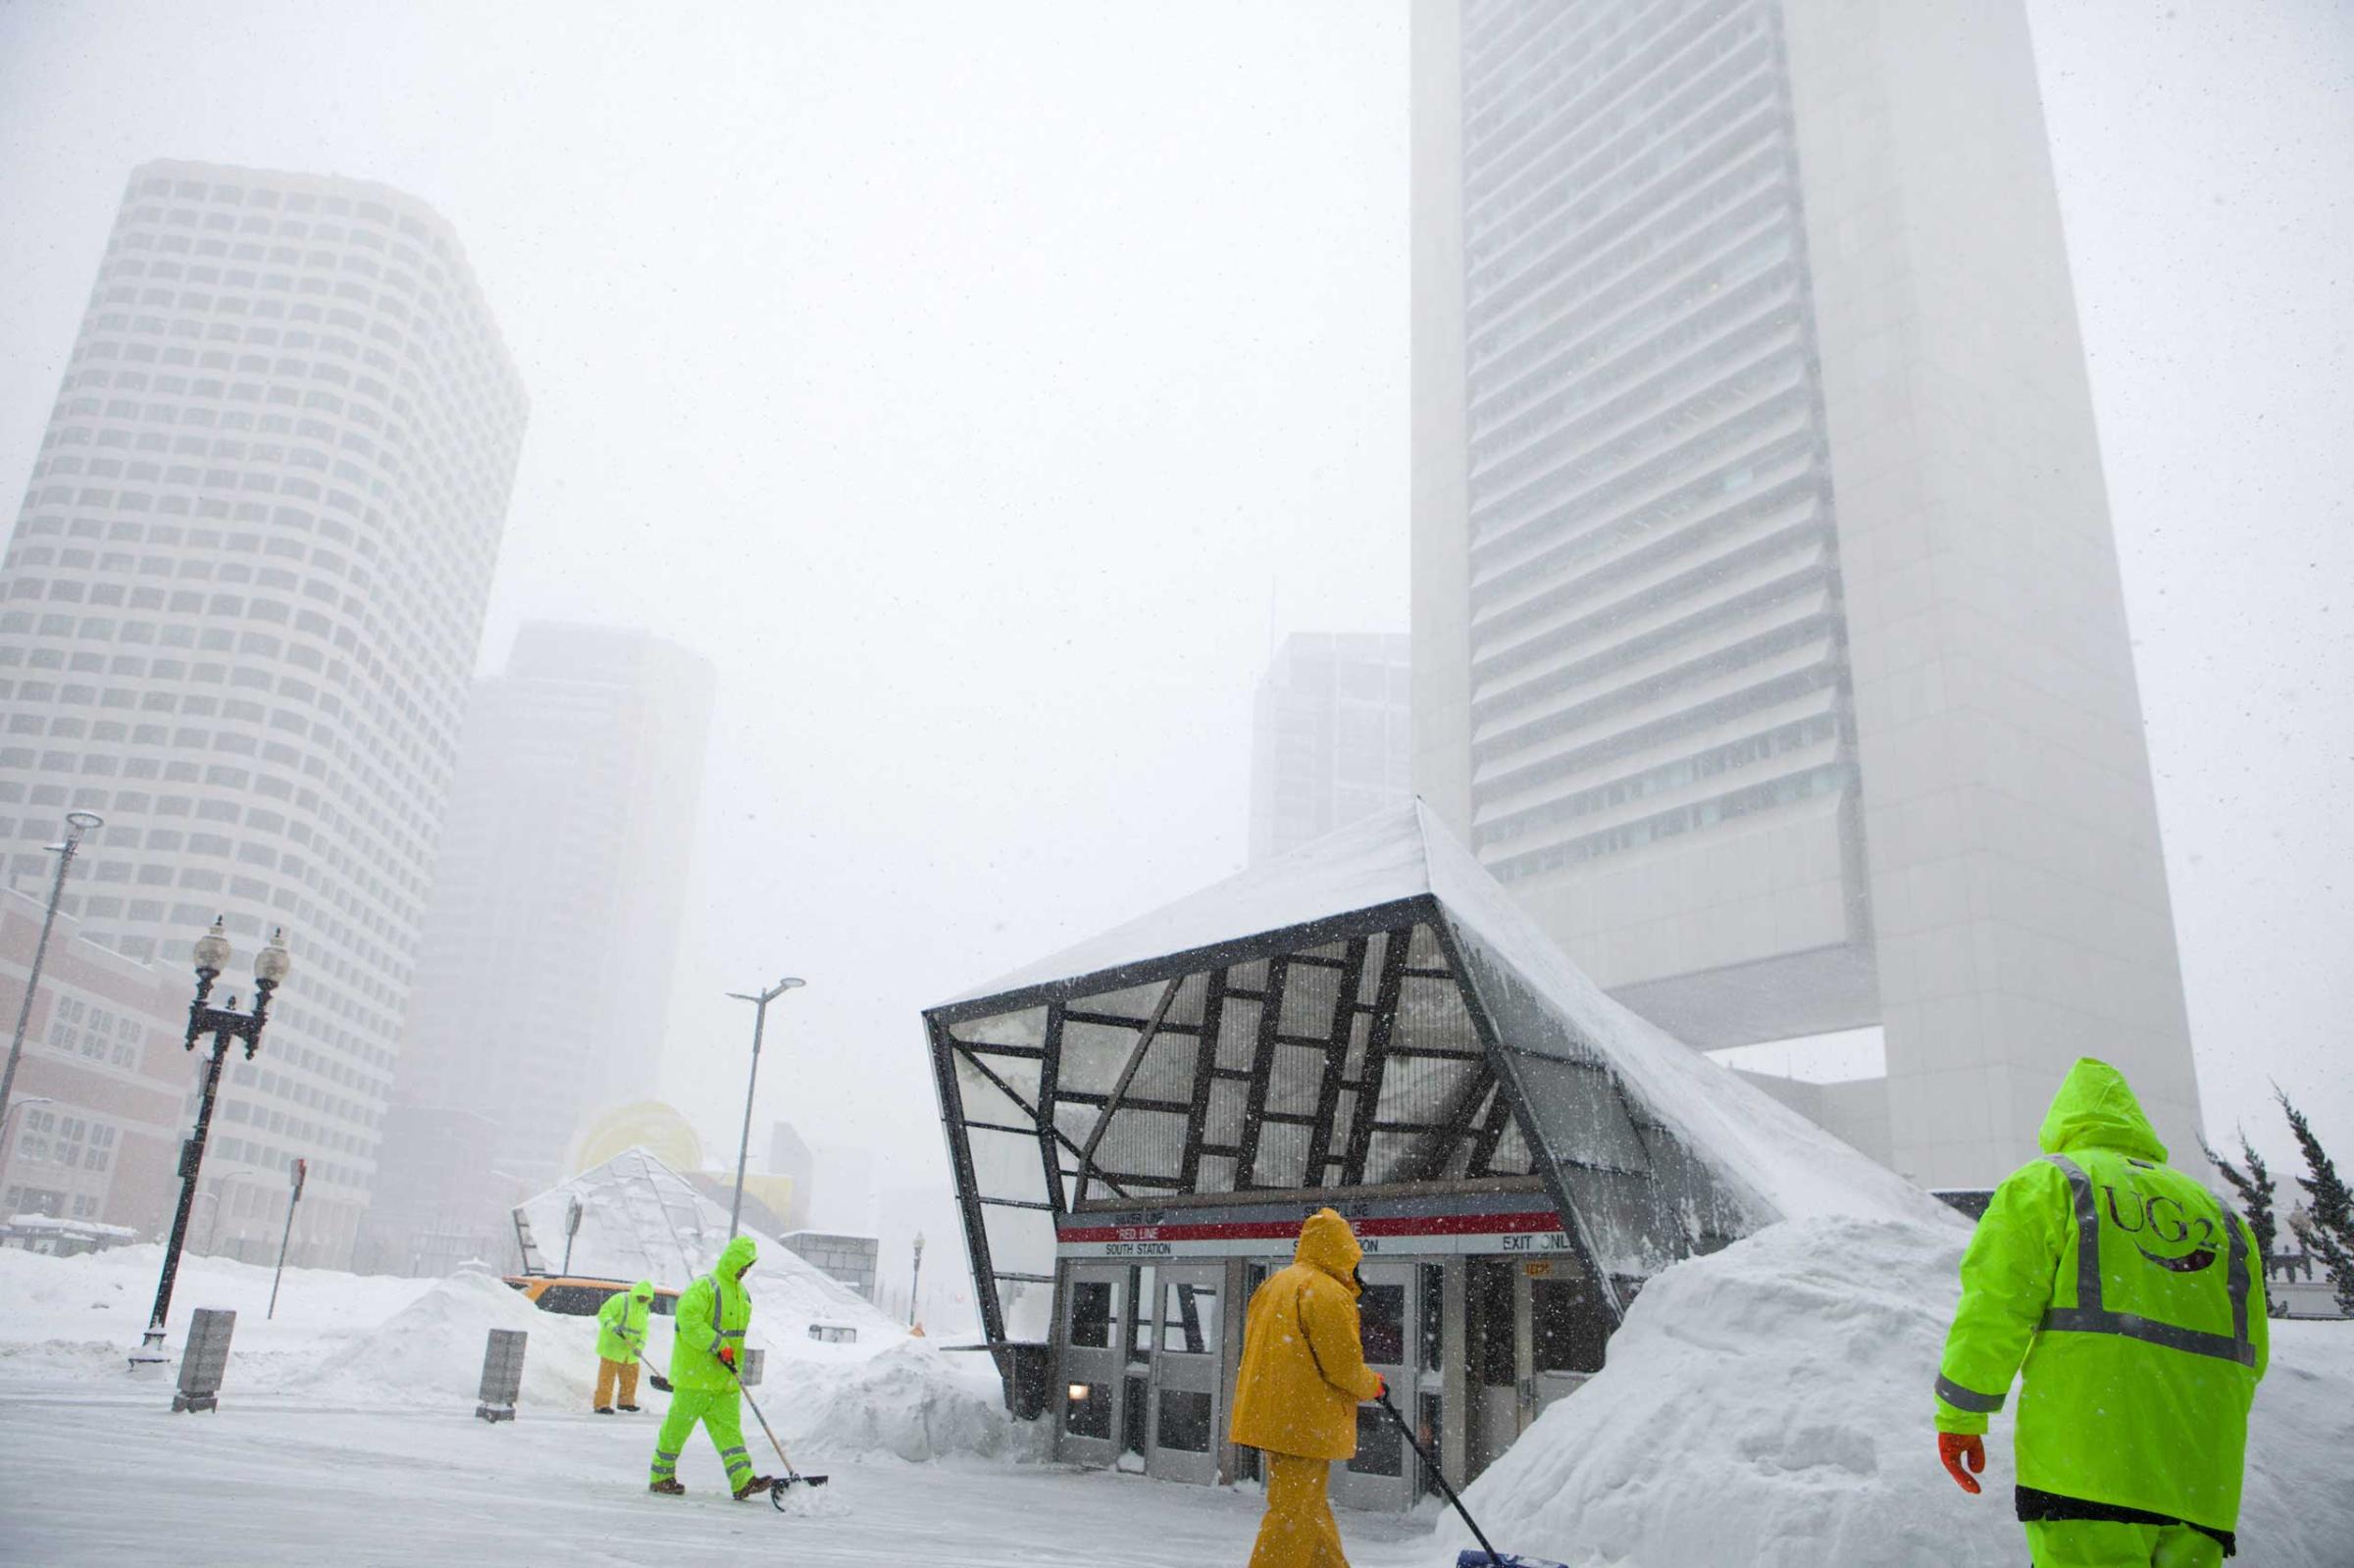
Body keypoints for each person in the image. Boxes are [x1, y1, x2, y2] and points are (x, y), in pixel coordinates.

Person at [1933, 1058, 2268, 1566]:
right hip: (2202, 1479)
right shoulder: (2219, 1214)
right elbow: (2252, 1353)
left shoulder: (2053, 1182)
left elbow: (1995, 1308)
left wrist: (1961, 1413)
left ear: (2062, 1123)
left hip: (2086, 1463)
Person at [1229, 1207, 1387, 1568]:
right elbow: (1343, 1367)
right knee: (1291, 1517)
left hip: (1275, 1416)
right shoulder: (1327, 1293)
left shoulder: (1276, 1283)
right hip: (1305, 1423)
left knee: (1306, 1509)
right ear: (1344, 1250)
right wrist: (1372, 1385)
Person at [647, 1235, 770, 1498]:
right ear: (732, 1260)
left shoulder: (742, 1295)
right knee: (677, 1429)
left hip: (725, 1379)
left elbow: (736, 1337)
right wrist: (716, 1344)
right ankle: (661, 1476)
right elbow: (688, 1320)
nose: (745, 1270)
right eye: (743, 1265)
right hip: (696, 1377)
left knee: (729, 1431)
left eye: (749, 1266)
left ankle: (742, 1479)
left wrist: (730, 1357)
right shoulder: (706, 1286)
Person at [592, 1279, 654, 1414]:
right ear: (636, 1293)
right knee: (607, 1377)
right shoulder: (621, 1300)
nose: (643, 1299)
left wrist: (640, 1346)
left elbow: (644, 1330)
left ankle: (626, 1402)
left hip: (630, 1349)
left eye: (646, 1297)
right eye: (641, 1296)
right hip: (612, 1346)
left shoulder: (645, 1308)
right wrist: (613, 1327)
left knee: (631, 1375)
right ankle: (602, 1404)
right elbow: (604, 1313)